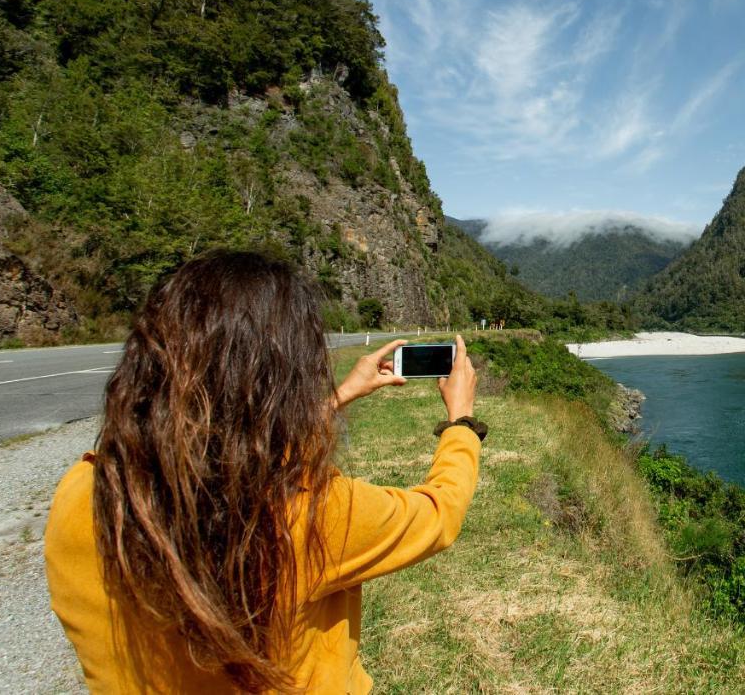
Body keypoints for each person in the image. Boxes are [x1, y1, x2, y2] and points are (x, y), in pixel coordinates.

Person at [43, 251, 484, 693]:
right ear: (287, 377)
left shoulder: (83, 494)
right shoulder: (306, 515)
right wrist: (461, 420)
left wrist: (339, 396)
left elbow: (226, 450)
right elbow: (438, 512)